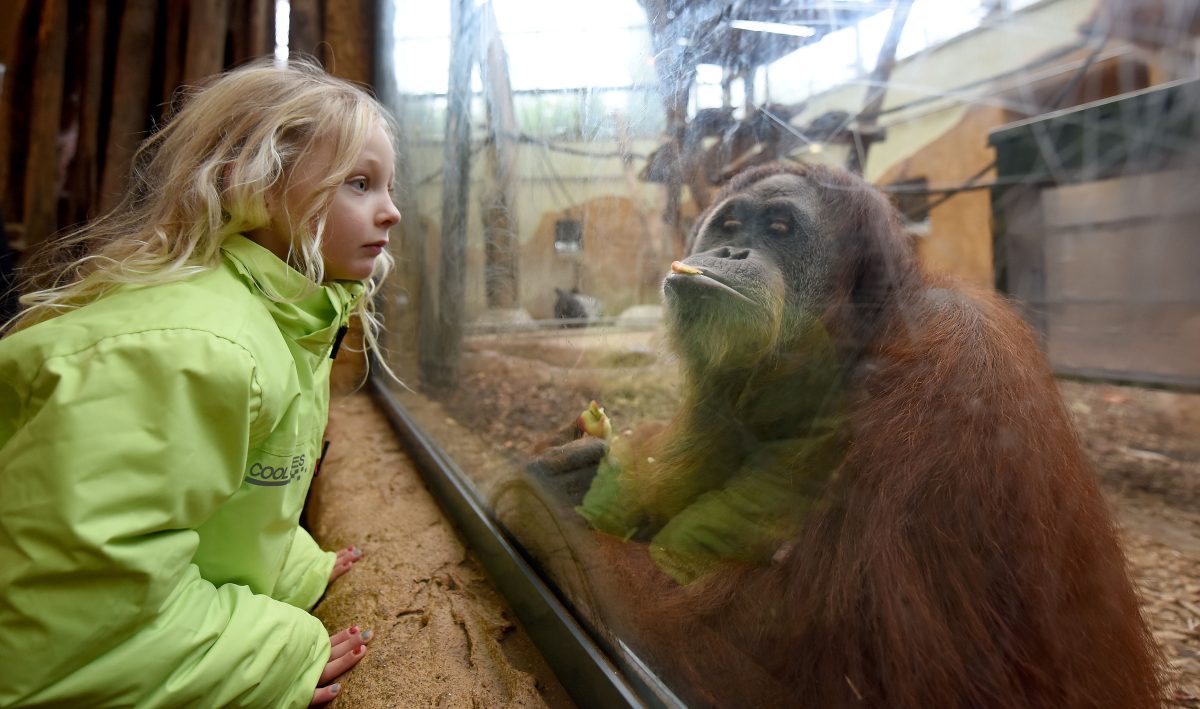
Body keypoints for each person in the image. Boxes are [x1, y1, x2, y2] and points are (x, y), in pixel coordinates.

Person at [0, 58, 402, 707]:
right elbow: (68, 625)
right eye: (360, 183)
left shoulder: (286, 320)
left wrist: (294, 566)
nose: (393, 212)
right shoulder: (192, 351)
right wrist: (278, 651)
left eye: (386, 184)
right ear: (260, 186)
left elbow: (222, 502)